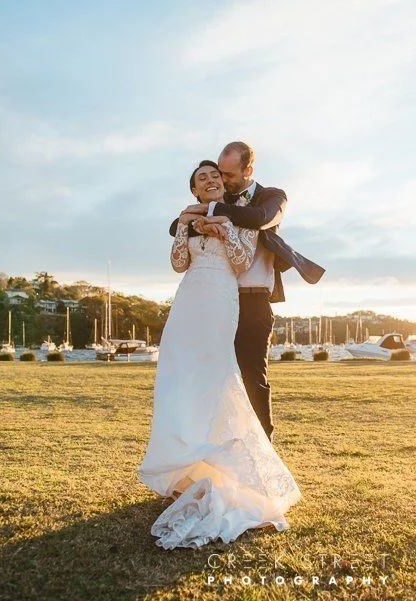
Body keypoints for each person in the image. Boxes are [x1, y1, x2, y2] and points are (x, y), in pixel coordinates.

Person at [138, 160, 300, 550]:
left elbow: (242, 262)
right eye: (203, 178)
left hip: (221, 300)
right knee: (180, 379)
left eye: (215, 176)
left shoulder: (237, 218)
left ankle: (229, 467)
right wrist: (186, 226)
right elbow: (178, 263)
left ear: (224, 185)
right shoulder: (188, 219)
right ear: (194, 189)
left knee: (218, 377)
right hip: (188, 302)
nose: (211, 180)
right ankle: (184, 472)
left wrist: (224, 228)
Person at [170, 141, 325, 441]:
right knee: (214, 375)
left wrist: (213, 212)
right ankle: (217, 443)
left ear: (248, 170)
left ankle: (262, 446)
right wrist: (203, 222)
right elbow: (176, 225)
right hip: (216, 299)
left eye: (228, 174)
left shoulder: (272, 197)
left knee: (253, 375)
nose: (222, 180)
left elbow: (260, 219)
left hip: (254, 298)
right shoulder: (219, 199)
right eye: (219, 173)